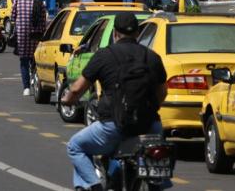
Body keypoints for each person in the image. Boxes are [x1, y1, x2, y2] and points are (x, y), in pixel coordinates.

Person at [61, 12, 169, 191]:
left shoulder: (104, 56)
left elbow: (76, 89)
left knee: (75, 146)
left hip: (113, 127)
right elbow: (162, 92)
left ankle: (94, 186)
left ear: (115, 34)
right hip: (150, 127)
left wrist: (67, 101)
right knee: (158, 163)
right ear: (137, 34)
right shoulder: (152, 57)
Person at [12, 0, 47, 97]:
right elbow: (43, 22)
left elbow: (13, 18)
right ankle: (36, 81)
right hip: (36, 37)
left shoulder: (17, 2)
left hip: (22, 37)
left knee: (23, 62)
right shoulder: (39, 3)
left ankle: (26, 87)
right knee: (36, 61)